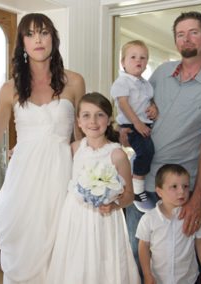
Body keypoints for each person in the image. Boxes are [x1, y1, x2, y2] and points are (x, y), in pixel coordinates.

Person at [0, 13, 85, 284]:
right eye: (30, 34)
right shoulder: (10, 89)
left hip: (62, 179)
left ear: (54, 38)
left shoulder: (74, 81)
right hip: (24, 182)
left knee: (63, 253)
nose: (38, 39)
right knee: (26, 251)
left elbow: (83, 137)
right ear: (22, 44)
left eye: (43, 32)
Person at [124, 11, 201, 280]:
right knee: (138, 260)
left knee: (180, 264)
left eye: (194, 32)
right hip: (142, 183)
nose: (186, 39)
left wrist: (196, 199)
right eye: (180, 34)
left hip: (178, 193)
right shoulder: (161, 73)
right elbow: (140, 112)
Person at [47, 92, 140, 284]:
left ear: (109, 119)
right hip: (75, 217)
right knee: (75, 263)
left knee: (103, 263)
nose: (93, 121)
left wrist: (114, 204)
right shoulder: (73, 148)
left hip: (105, 219)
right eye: (86, 115)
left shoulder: (117, 155)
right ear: (79, 122)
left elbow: (129, 196)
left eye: (100, 115)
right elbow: (48, 155)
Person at [136, 164, 201, 284]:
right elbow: (143, 247)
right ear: (159, 192)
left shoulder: (192, 217)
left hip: (188, 279)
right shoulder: (149, 219)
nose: (181, 191)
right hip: (159, 279)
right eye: (174, 187)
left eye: (186, 186)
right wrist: (147, 274)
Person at [110, 40, 156, 213]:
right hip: (131, 124)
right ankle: (137, 188)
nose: (139, 60)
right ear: (123, 62)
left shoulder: (146, 84)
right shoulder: (123, 82)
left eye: (143, 58)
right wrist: (137, 123)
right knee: (145, 150)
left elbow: (149, 100)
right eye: (133, 57)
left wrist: (153, 107)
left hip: (144, 123)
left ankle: (135, 177)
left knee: (146, 151)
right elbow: (123, 105)